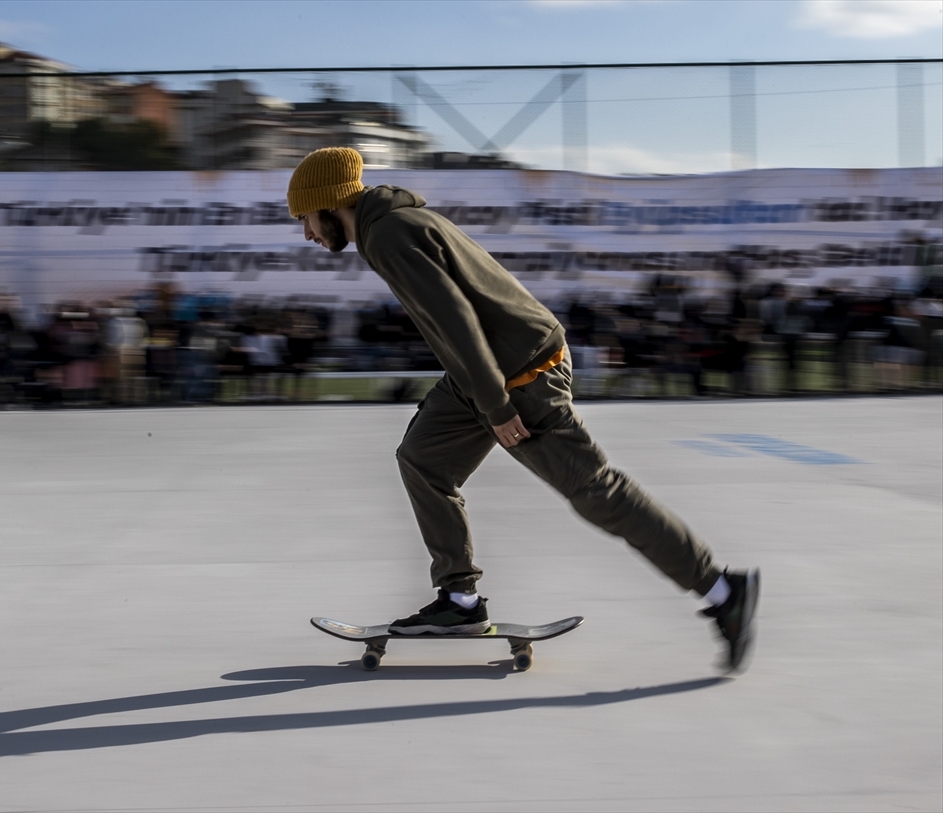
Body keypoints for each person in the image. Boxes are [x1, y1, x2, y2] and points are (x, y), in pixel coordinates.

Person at [287, 148, 760, 671]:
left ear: (329, 202)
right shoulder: (395, 224)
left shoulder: (389, 234)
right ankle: (459, 600)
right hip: (485, 370)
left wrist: (495, 404)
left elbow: (456, 319)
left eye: (305, 218)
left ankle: (721, 590)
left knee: (594, 491)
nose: (307, 233)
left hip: (523, 375)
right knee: (423, 459)